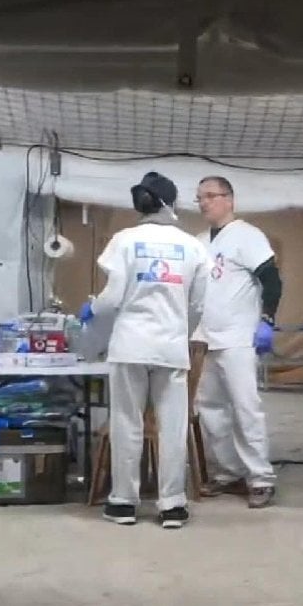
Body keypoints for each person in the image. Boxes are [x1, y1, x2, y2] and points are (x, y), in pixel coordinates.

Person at [80, 172, 211, 528]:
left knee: (127, 423)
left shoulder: (124, 241)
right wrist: (179, 331)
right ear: (172, 202)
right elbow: (198, 305)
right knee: (172, 427)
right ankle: (172, 505)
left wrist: (92, 311)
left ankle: (123, 503)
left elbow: (111, 300)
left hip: (129, 346)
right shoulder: (192, 246)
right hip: (171, 348)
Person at [193, 176, 283, 509]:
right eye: (199, 198)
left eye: (210, 196)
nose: (204, 203)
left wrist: (267, 320)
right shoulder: (199, 242)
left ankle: (260, 478)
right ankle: (229, 471)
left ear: (229, 199)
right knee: (210, 408)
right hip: (206, 337)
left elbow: (272, 280)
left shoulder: (247, 236)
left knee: (245, 407)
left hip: (239, 337)